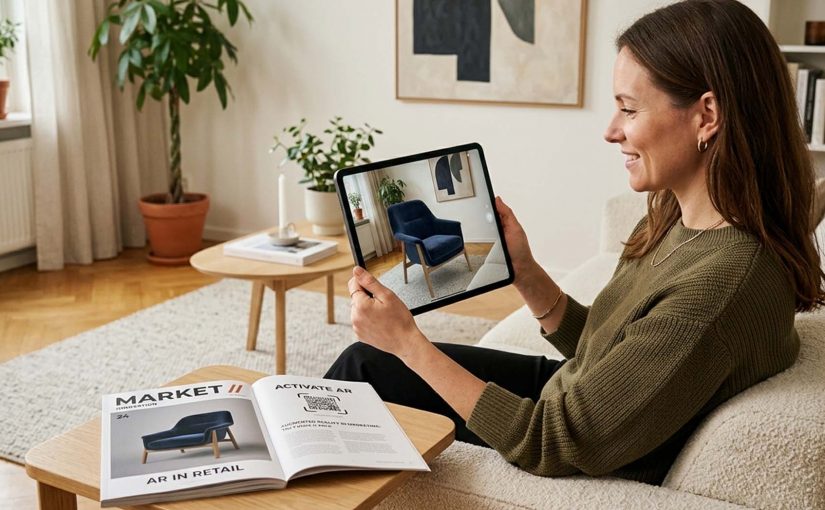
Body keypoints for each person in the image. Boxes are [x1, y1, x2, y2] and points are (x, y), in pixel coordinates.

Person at [325, 0, 825, 485]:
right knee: (363, 362)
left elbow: (554, 441)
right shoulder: (678, 218)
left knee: (369, 370)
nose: (611, 131)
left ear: (706, 115)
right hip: (570, 391)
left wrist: (408, 343)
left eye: (628, 109)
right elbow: (609, 345)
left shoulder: (721, 284)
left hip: (557, 431)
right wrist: (526, 273)